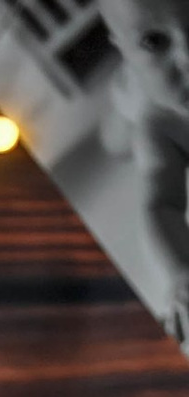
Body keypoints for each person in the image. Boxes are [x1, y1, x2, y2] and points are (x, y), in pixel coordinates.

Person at [103, 0, 189, 344]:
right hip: (139, 98)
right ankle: (121, 98)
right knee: (117, 139)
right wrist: (180, 274)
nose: (188, 58)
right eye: (155, 41)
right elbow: (160, 204)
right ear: (121, 47)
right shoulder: (161, 123)